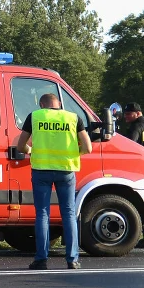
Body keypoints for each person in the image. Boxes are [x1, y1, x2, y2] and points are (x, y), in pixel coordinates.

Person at [15, 93, 91, 270]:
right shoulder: (73, 118)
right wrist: (71, 155)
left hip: (41, 170)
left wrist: (32, 151)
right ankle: (72, 259)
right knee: (69, 213)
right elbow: (88, 147)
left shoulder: (35, 116)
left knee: (42, 213)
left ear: (42, 104)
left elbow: (20, 146)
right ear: (58, 104)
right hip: (66, 171)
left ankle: (41, 259)